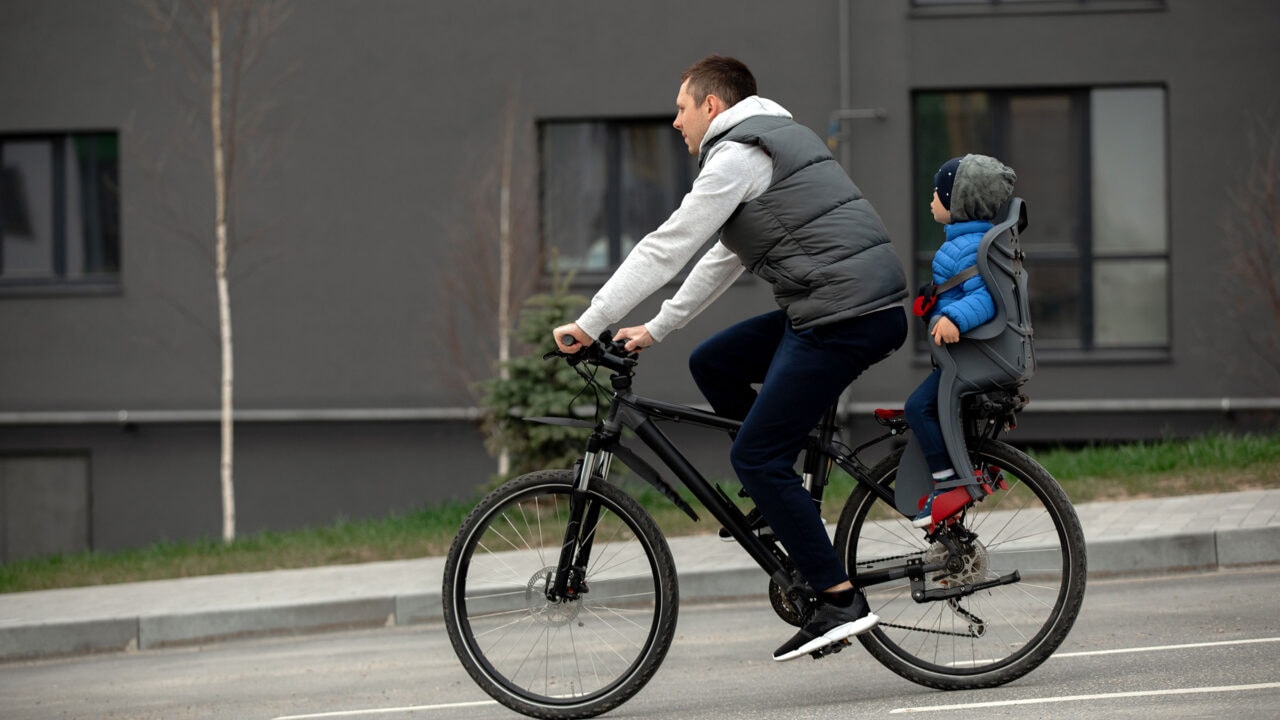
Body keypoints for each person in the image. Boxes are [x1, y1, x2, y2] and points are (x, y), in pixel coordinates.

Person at [552, 55, 909, 662]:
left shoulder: (738, 154)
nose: (674, 121)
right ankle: (783, 495)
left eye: (681, 107)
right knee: (714, 362)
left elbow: (667, 246)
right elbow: (723, 257)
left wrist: (589, 324)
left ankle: (838, 600)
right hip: (839, 304)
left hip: (844, 314)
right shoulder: (771, 142)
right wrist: (659, 327)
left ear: (711, 106)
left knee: (755, 454)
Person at [904, 154, 1018, 528]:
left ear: (958, 202)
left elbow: (986, 298)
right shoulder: (970, 243)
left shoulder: (967, 247)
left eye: (938, 194)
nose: (931, 201)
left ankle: (947, 482)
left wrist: (953, 316)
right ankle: (970, 467)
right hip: (972, 355)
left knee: (919, 407)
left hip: (970, 357)